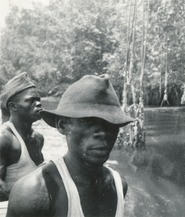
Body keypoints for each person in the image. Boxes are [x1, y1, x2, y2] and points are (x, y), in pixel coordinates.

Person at [7, 74, 135, 217]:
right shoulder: (34, 192)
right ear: (62, 126)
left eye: (111, 123)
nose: (102, 133)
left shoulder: (118, 186)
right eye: (89, 122)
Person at [0, 72, 44, 216]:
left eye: (38, 100)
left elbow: (41, 177)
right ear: (13, 107)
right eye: (31, 100)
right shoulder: (4, 138)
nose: (38, 104)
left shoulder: (38, 138)